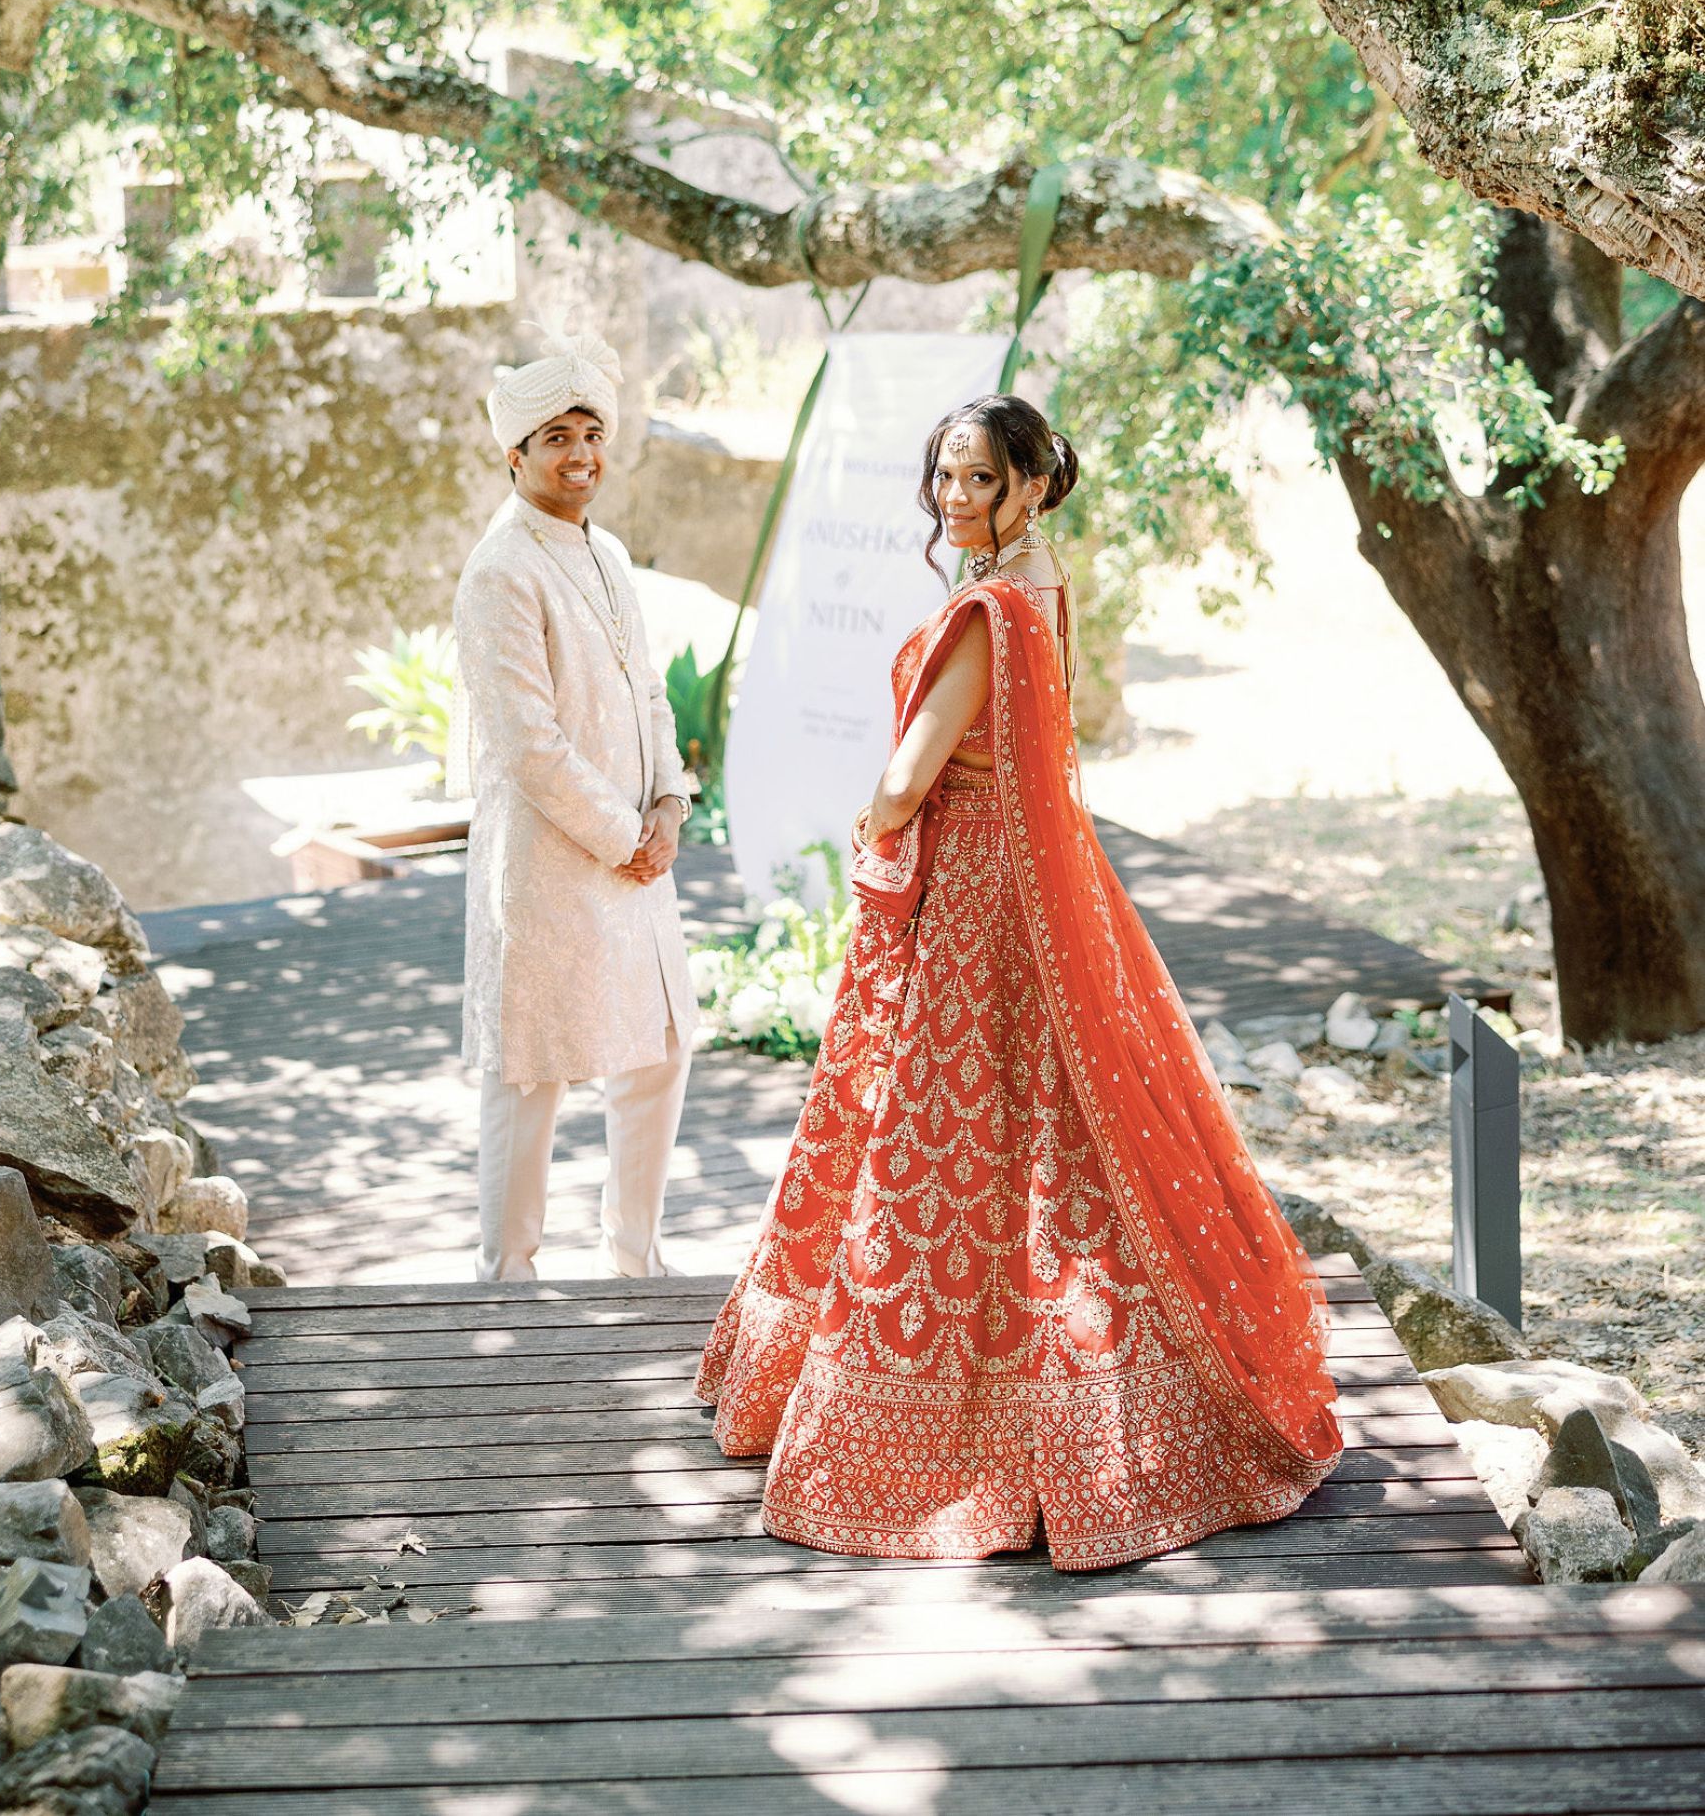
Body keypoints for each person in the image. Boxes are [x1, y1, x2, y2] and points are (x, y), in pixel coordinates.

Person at [697, 392, 1342, 1567]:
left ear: (1035, 484)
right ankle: (1081, 1394)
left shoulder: (989, 606)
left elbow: (910, 775)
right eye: (946, 475)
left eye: (982, 478)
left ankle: (955, 1430)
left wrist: (875, 828)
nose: (956, 497)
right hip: (1043, 881)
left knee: (945, 1127)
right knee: (1045, 1127)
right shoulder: (1041, 581)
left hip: (979, 888)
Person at [454, 331, 696, 1283]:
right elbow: (528, 744)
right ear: (515, 455)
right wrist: (625, 833)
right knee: (532, 1068)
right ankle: (506, 1278)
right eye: (557, 437)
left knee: (660, 1049)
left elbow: (649, 692)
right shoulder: (501, 570)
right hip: (550, 860)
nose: (581, 454)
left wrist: (669, 801)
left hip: (638, 849)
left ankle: (634, 1261)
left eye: (591, 433)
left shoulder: (610, 552)